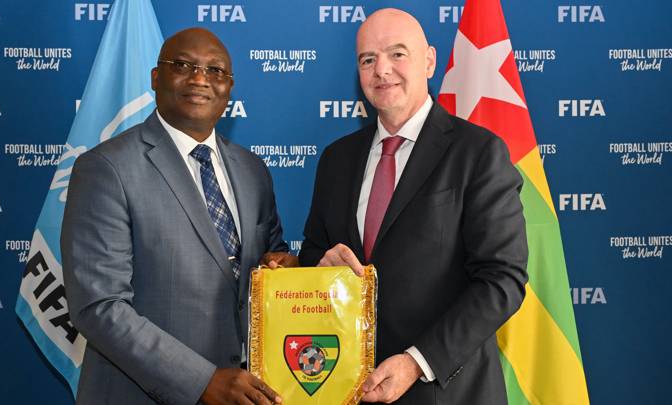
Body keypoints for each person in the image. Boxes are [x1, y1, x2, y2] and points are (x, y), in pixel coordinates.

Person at [297, 9, 528, 404]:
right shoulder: (336, 159)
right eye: (368, 59)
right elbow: (313, 254)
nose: (381, 70)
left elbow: (501, 280)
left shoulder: (478, 153)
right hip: (346, 388)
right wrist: (320, 265)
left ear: (430, 60)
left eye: (397, 53)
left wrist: (416, 361)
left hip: (447, 390)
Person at [62, 28, 295, 405]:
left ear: (230, 87)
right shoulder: (107, 168)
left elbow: (271, 253)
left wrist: (283, 264)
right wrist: (202, 381)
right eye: (183, 65)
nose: (201, 79)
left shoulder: (253, 170)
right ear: (156, 78)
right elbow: (99, 306)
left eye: (215, 71)